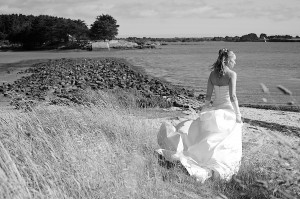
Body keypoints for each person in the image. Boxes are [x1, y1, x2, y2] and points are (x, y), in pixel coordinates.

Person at [156, 48, 243, 183]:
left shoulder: (212, 75)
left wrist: (203, 111)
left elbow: (208, 97)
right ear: (228, 60)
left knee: (207, 136)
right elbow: (233, 96)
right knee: (226, 140)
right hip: (228, 111)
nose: (235, 62)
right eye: (234, 60)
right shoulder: (232, 74)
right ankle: (217, 170)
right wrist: (238, 114)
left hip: (215, 109)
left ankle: (202, 162)